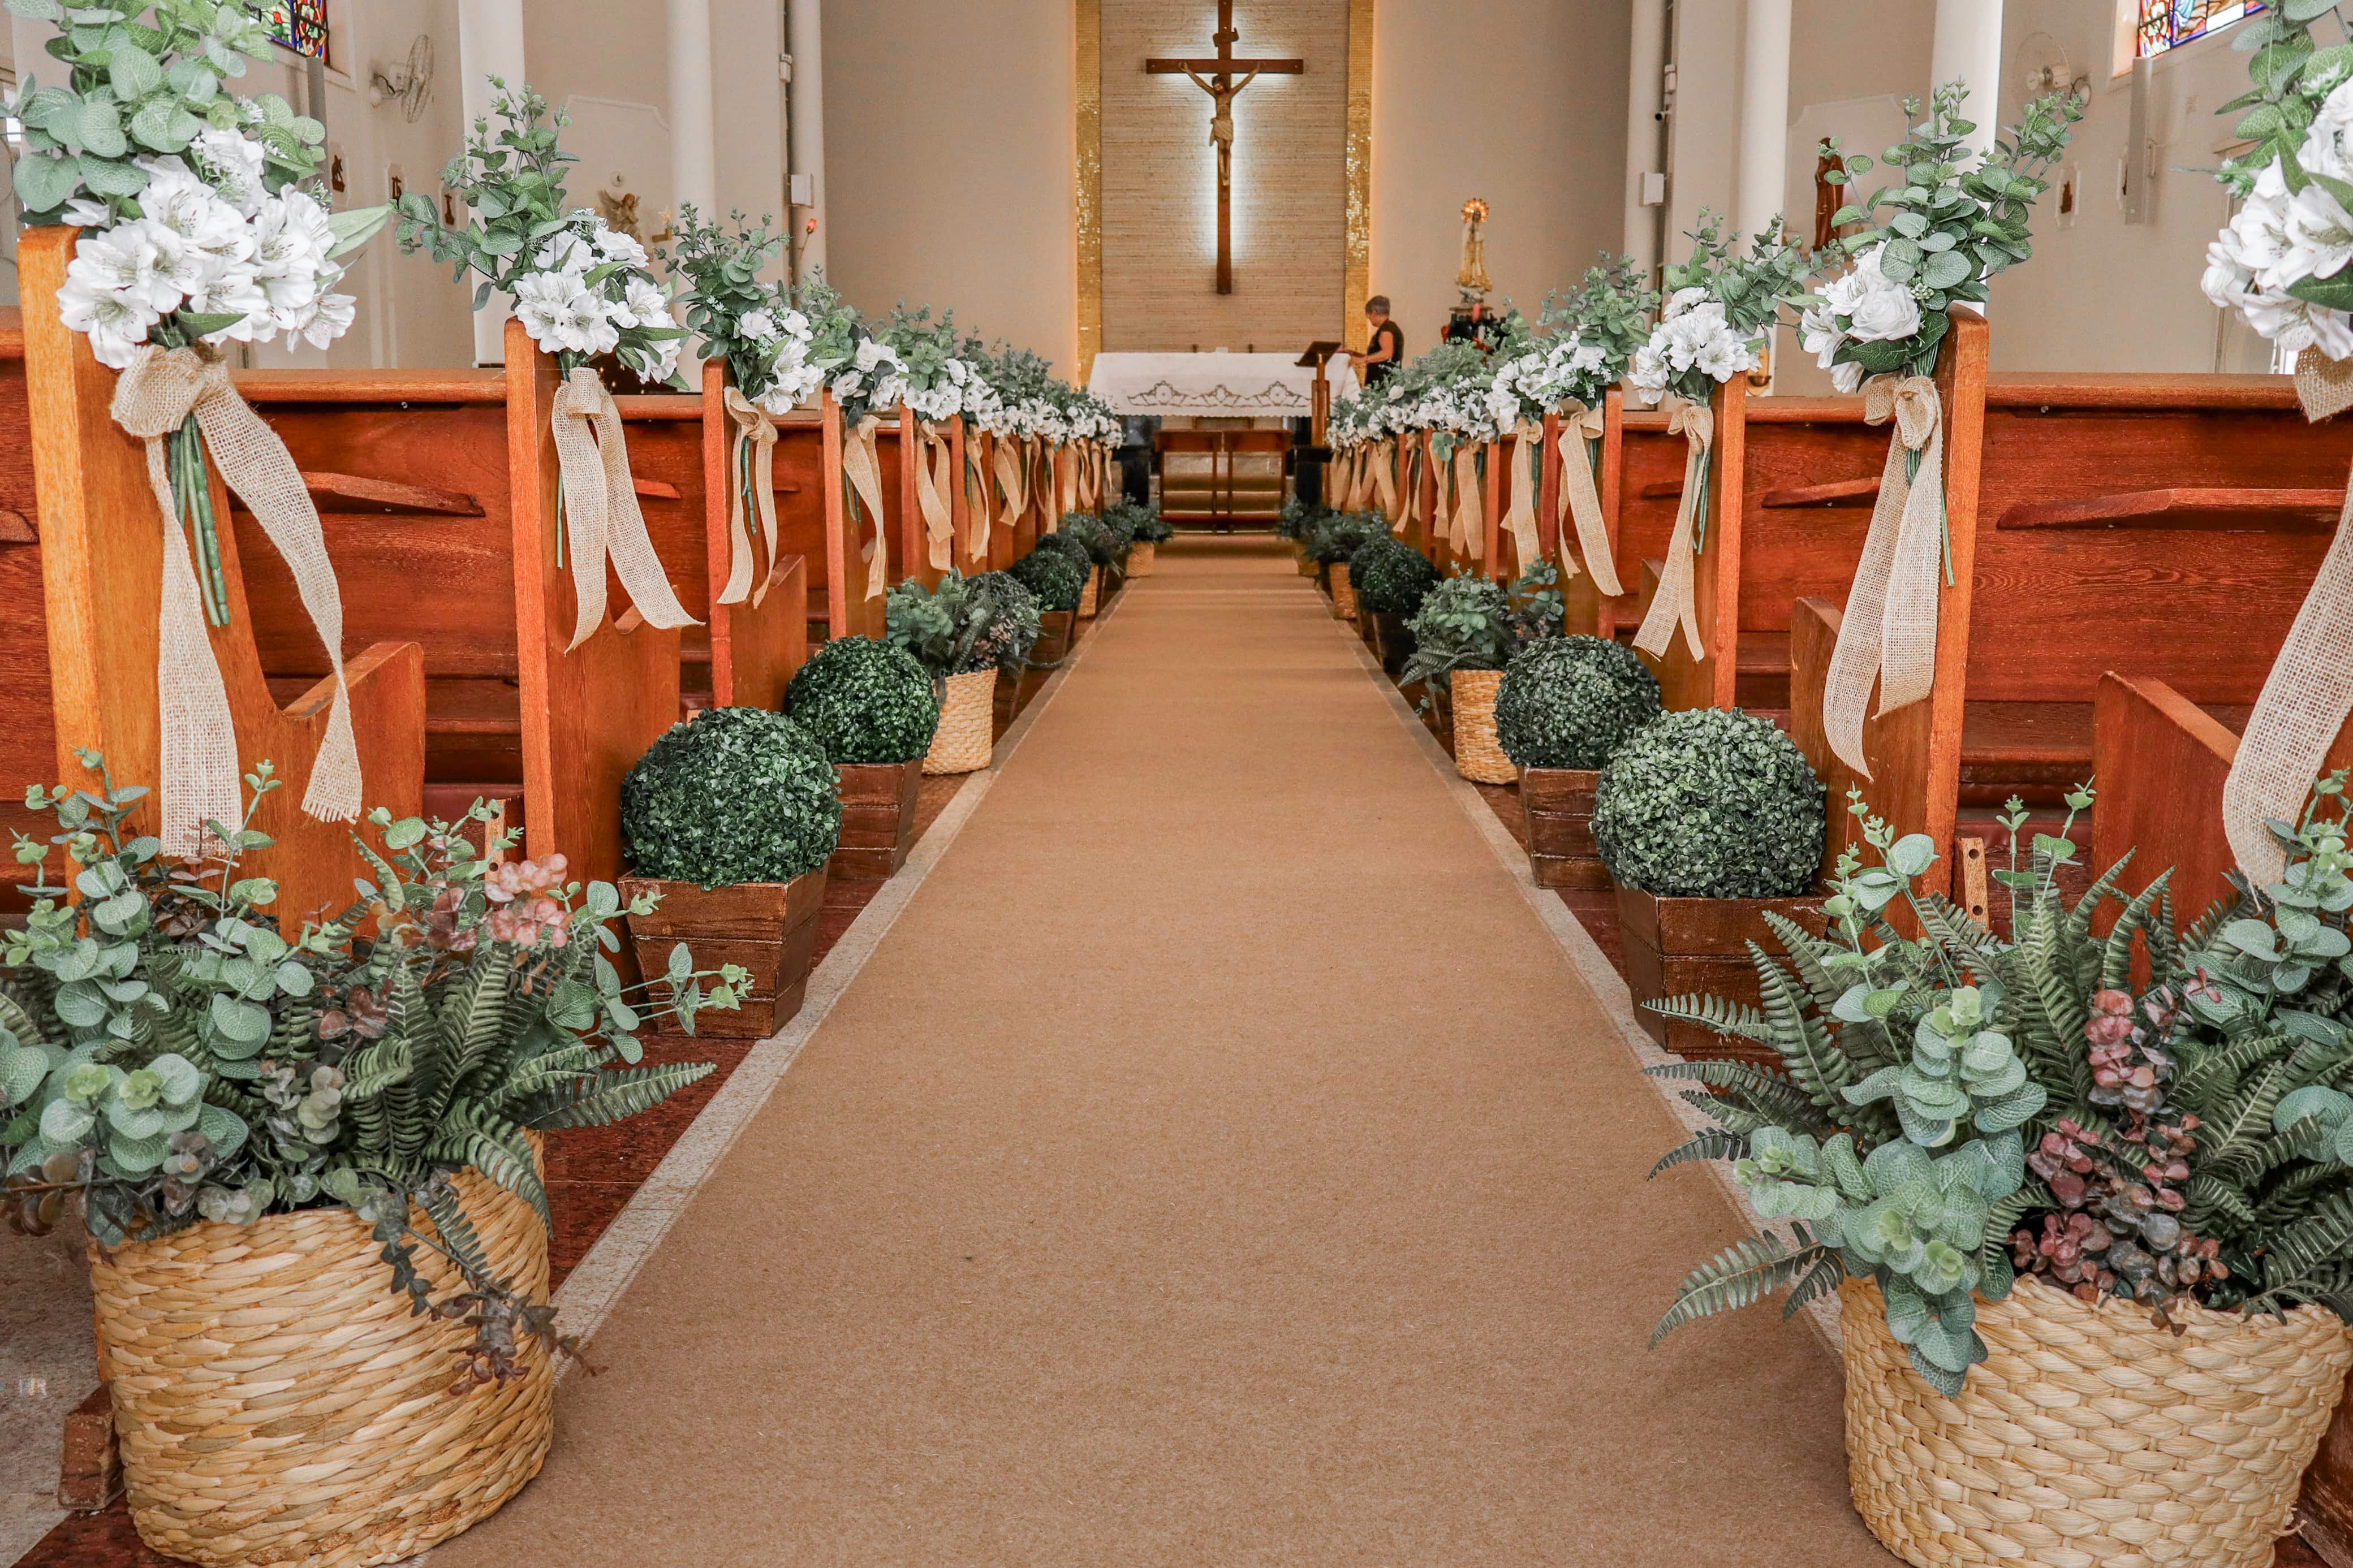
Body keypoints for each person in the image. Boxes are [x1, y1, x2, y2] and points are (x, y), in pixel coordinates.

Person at [1349, 296, 1404, 387]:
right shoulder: (1391, 328)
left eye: (1369, 315)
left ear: (1374, 312)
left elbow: (1387, 354)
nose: (1369, 318)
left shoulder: (1387, 330)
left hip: (1384, 384)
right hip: (1386, 382)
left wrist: (1362, 360)